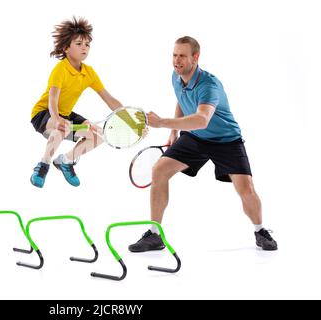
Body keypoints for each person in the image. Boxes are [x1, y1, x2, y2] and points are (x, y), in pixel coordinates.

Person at [128, 36, 278, 252]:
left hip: (226, 140)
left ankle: (260, 230)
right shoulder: (176, 76)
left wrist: (161, 122)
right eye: (174, 55)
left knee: (246, 189)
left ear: (195, 57)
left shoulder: (209, 85)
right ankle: (154, 234)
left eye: (182, 56)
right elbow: (181, 99)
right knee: (159, 170)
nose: (176, 60)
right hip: (195, 138)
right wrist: (174, 131)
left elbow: (201, 119)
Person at [30, 17, 123, 188]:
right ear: (66, 48)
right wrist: (57, 119)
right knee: (60, 128)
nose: (84, 48)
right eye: (79, 43)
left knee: (98, 135)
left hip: (65, 114)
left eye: (87, 45)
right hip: (44, 113)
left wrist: (130, 118)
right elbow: (52, 100)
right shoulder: (60, 69)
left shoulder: (89, 72)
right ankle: (43, 165)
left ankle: (65, 161)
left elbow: (109, 99)